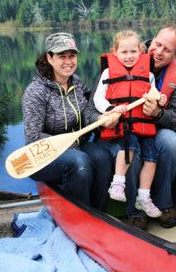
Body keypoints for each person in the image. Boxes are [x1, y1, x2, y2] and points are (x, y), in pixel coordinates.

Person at [86, 26, 176, 230]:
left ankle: (163, 204)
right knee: (131, 149)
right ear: (148, 44)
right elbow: (90, 108)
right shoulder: (120, 61)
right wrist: (104, 116)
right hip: (120, 131)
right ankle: (136, 212)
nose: (159, 51)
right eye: (157, 45)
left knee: (170, 141)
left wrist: (158, 114)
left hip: (151, 129)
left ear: (175, 54)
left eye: (167, 50)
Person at [22, 32, 113, 210]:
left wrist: (103, 117)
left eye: (72, 56)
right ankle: (79, 218)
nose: (68, 61)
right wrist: (72, 146)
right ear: (49, 58)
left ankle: (99, 215)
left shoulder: (76, 82)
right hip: (43, 157)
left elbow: (90, 110)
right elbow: (33, 137)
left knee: (103, 156)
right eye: (61, 56)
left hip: (77, 146)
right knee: (79, 162)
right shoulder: (36, 92)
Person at [93, 30, 167, 218]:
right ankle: (117, 184)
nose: (129, 56)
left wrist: (160, 99)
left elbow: (152, 93)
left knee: (152, 157)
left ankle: (144, 196)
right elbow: (98, 98)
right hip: (124, 124)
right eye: (124, 52)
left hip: (144, 124)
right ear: (115, 52)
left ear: (141, 51)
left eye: (133, 52)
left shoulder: (147, 73)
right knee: (130, 147)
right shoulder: (108, 72)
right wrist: (110, 109)